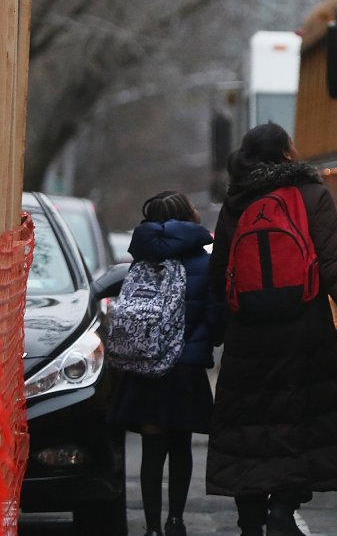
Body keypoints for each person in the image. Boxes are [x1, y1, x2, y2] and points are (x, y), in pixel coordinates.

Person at [206, 122, 337, 536]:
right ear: (287, 154)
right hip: (302, 332)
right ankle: (283, 512)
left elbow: (219, 275)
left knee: (248, 429)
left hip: (248, 337)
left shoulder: (236, 200)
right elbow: (334, 267)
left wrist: (217, 328)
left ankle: (250, 519)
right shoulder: (311, 195)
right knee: (297, 423)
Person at [108, 191, 225, 536]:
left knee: (151, 448)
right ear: (188, 218)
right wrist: (200, 346)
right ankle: (176, 520)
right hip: (184, 370)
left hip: (144, 366)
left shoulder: (140, 262)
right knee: (180, 445)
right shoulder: (205, 263)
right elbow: (215, 315)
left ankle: (152, 527)